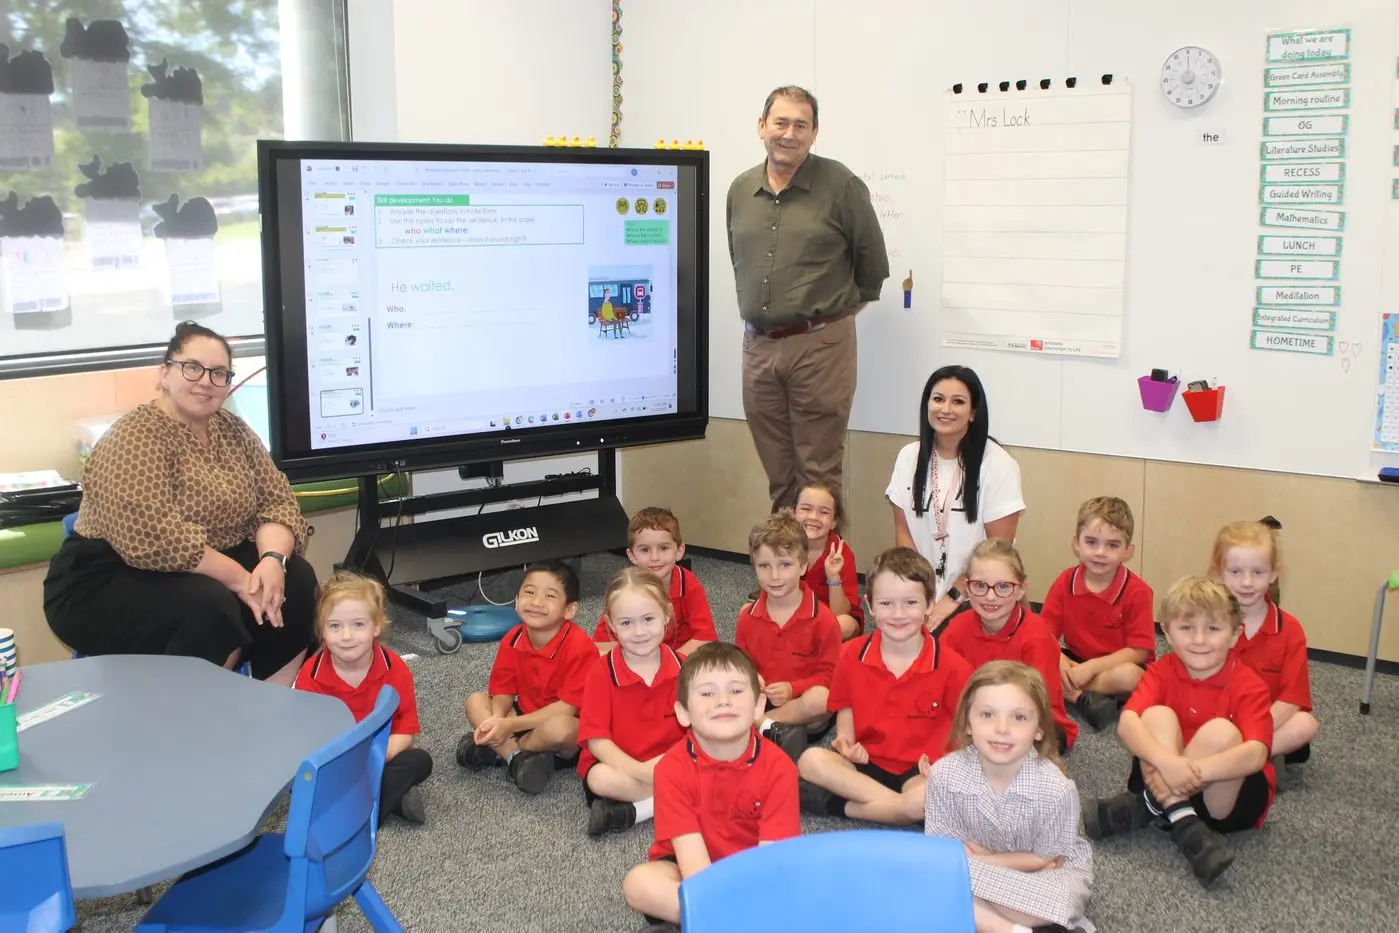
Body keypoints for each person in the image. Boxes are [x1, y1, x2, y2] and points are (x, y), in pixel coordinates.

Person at [44, 320, 316, 685]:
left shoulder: (233, 430)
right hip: (106, 576)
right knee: (210, 607)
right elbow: (155, 538)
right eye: (193, 368)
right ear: (165, 373)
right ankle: (199, 723)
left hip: (204, 564)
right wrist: (240, 580)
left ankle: (274, 703)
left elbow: (278, 503)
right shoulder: (135, 437)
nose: (206, 381)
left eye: (218, 373)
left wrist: (272, 561)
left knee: (295, 580)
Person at [728, 85, 889, 511]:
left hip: (821, 347)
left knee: (817, 477)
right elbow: (739, 261)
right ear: (762, 126)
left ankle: (823, 576)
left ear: (814, 133)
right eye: (780, 122)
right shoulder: (740, 190)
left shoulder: (840, 185)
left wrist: (823, 321)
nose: (789, 133)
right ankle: (782, 573)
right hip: (758, 348)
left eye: (801, 125)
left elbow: (871, 271)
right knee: (779, 475)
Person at [1082, 577, 1273, 888]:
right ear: (1167, 632)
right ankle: (1184, 821)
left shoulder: (1248, 684)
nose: (1199, 639)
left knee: (1221, 733)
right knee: (1154, 715)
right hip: (1164, 772)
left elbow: (1257, 753)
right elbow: (1128, 722)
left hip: (1221, 800)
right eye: (1186, 628)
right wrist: (1171, 765)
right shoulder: (1160, 671)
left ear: (1235, 634)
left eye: (1213, 629)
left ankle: (1149, 805)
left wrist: (1190, 771)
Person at [621, 642, 800, 933]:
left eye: (736, 690)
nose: (723, 700)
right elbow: (693, 866)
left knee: (798, 889)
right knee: (639, 885)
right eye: (707, 693)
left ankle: (698, 921)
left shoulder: (780, 768)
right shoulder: (670, 769)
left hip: (752, 866)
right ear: (683, 713)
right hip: (687, 866)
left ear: (758, 706)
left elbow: (769, 864)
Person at [798, 547, 972, 826]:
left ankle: (850, 808)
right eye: (886, 603)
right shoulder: (851, 654)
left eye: (910, 603)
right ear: (869, 604)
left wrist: (945, 764)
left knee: (929, 795)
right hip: (866, 763)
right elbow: (846, 708)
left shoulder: (953, 666)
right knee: (810, 760)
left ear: (929, 604)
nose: (898, 614)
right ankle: (902, 812)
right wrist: (846, 743)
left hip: (920, 773)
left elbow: (967, 729)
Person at [924, 661, 1094, 933]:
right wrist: (975, 864)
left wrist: (985, 860)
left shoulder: (1056, 789)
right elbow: (945, 850)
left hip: (1044, 878)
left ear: (1039, 729)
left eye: (1019, 718)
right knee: (934, 877)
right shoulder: (944, 775)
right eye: (987, 714)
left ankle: (986, 919)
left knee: (1060, 899)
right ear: (967, 723)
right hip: (979, 872)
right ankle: (1015, 930)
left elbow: (1047, 859)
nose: (1002, 728)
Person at [887, 365, 1025, 630]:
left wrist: (952, 598)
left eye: (958, 402)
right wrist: (918, 597)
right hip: (922, 590)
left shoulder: (997, 464)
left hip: (979, 593)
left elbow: (998, 553)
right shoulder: (908, 457)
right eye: (938, 399)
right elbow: (904, 536)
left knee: (954, 655)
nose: (945, 409)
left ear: (973, 412)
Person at [293, 571, 432, 825]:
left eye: (358, 624)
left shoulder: (396, 669)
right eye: (335, 626)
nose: (346, 636)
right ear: (322, 630)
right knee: (297, 776)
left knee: (419, 761)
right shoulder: (310, 676)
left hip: (380, 757)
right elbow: (308, 739)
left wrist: (372, 758)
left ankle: (355, 813)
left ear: (376, 626)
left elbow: (404, 733)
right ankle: (390, 801)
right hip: (334, 761)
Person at [457, 560, 596, 794]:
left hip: (562, 731)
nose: (536, 602)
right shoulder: (513, 637)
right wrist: (498, 718)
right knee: (475, 701)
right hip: (523, 718)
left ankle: (503, 750)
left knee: (560, 728)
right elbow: (503, 690)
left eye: (550, 596)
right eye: (529, 592)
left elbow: (565, 710)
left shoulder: (580, 647)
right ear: (516, 600)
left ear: (569, 610)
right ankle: (516, 759)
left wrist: (509, 725)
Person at [940, 540, 1078, 753]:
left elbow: (1037, 705)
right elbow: (939, 679)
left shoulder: (1036, 636)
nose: (990, 596)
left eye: (1003, 586)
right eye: (980, 586)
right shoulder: (958, 626)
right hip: (976, 714)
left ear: (1021, 590)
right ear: (967, 587)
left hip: (1033, 719)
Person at [579, 568, 687, 838]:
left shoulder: (687, 669)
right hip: (620, 766)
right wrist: (639, 771)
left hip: (670, 761)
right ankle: (684, 798)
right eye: (626, 623)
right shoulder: (601, 671)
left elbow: (700, 730)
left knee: (716, 759)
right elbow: (597, 741)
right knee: (600, 778)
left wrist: (665, 767)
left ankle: (637, 811)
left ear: (667, 614)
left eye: (648, 619)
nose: (639, 632)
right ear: (611, 625)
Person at [1210, 520, 1318, 774]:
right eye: (1235, 572)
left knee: (1305, 724)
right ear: (1217, 573)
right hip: (1216, 719)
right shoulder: (1207, 622)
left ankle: (1241, 761)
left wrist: (1252, 730)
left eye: (1258, 572)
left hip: (1268, 720)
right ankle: (1253, 761)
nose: (1247, 582)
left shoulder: (1290, 630)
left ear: (1274, 573)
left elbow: (1292, 700)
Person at [1040, 497, 1155, 732]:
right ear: (1076, 543)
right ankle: (1083, 698)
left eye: (1112, 545)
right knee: (1030, 656)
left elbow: (1140, 650)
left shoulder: (1139, 592)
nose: (1100, 552)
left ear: (1128, 551)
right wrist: (1061, 660)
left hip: (1117, 664)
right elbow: (1044, 632)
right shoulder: (1065, 582)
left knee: (1132, 677)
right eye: (1091, 542)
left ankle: (1070, 691)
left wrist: (1090, 669)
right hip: (1074, 659)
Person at [735, 512, 843, 762]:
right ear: (754, 567)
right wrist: (754, 677)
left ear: (803, 565)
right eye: (764, 566)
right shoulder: (747, 616)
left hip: (803, 706)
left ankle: (762, 724)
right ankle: (775, 730)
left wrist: (793, 688)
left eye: (785, 565)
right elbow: (742, 663)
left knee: (821, 700)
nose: (774, 576)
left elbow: (829, 676)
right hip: (763, 698)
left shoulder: (824, 620)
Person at [591, 507, 717, 657]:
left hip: (680, 660)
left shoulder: (688, 585)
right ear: (631, 555)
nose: (655, 557)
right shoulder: (625, 589)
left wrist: (670, 661)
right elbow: (600, 647)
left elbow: (705, 639)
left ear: (679, 551)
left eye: (663, 548)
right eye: (645, 550)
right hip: (635, 659)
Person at [794, 482, 863, 639]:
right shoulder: (782, 546)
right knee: (747, 610)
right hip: (793, 616)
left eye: (824, 512)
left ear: (834, 522)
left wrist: (833, 577)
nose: (813, 517)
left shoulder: (842, 554)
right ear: (794, 513)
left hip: (827, 621)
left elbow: (840, 613)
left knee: (847, 624)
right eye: (806, 509)